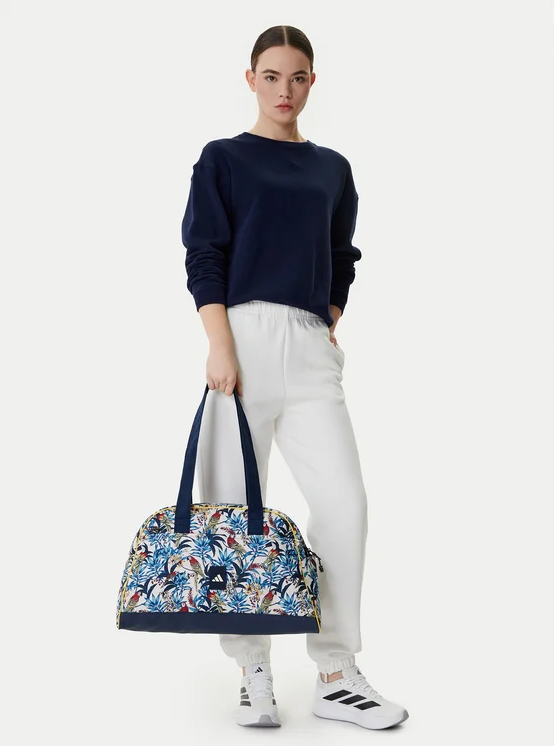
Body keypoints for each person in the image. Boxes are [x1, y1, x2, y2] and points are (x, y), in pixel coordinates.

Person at [181, 24, 408, 731]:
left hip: (310, 349)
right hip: (241, 339)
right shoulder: (222, 159)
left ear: (312, 83)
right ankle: (251, 667)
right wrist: (220, 345)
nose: (285, 90)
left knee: (345, 502)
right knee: (231, 510)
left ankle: (336, 671)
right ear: (251, 79)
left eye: (298, 77)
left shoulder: (332, 169)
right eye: (272, 76)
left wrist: (329, 315)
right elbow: (204, 253)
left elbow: (342, 256)